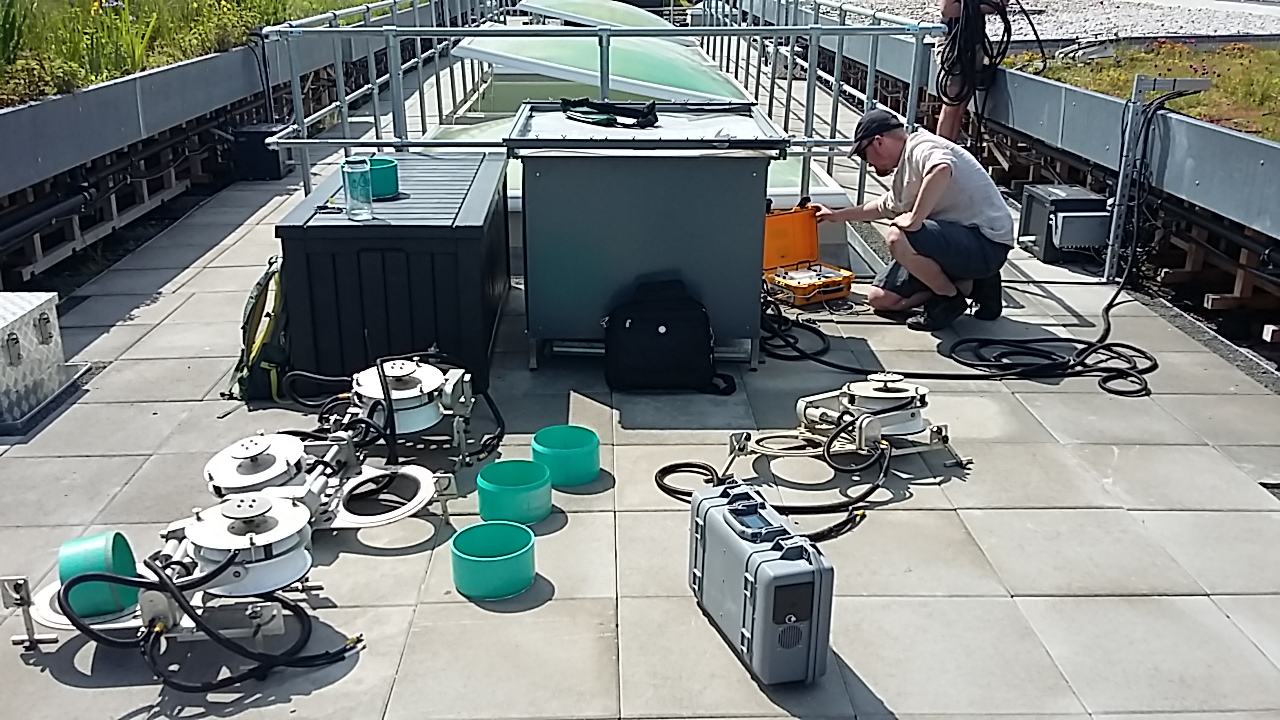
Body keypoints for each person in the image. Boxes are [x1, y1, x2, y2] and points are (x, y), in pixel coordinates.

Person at [812, 109, 1015, 332]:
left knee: (898, 235)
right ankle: (974, 285)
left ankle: (948, 299)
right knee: (880, 299)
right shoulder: (905, 169)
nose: (867, 163)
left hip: (985, 243)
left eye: (863, 154)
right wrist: (836, 215)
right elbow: (884, 206)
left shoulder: (921, 146)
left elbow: (941, 168)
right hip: (956, 243)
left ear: (878, 142)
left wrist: (916, 218)